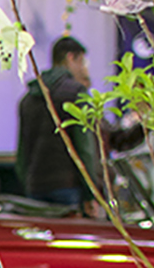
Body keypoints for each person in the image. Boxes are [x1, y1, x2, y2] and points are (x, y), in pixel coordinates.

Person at [15, 36, 99, 209]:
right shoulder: (76, 93)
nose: (82, 69)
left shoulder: (28, 98)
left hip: (35, 186)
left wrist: (27, 182)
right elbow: (84, 149)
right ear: (70, 57)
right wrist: (91, 192)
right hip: (68, 186)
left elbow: (22, 152)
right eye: (81, 62)